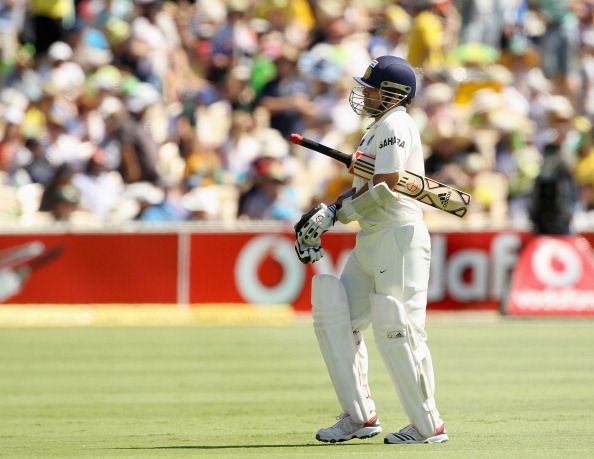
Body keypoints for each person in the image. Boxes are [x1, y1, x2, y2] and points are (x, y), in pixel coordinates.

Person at [294, 56, 448, 445]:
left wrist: (335, 213)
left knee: (399, 328)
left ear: (394, 93)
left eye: (372, 87)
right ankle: (360, 416)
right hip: (371, 237)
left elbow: (386, 188)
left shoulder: (397, 124)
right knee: (337, 318)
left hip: (399, 236)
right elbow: (368, 189)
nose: (364, 93)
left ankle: (428, 426)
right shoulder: (375, 130)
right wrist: (334, 211)